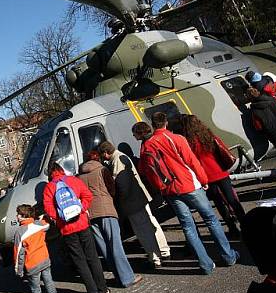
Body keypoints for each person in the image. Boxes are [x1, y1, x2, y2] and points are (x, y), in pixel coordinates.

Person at [138, 112, 239, 274]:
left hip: (170, 190)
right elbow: (191, 161)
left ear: (152, 124)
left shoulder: (147, 145)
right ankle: (228, 256)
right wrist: (204, 180)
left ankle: (205, 264)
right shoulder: (176, 138)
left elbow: (144, 170)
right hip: (189, 184)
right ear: (166, 123)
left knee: (188, 226)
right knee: (211, 219)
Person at [42, 162, 109, 293]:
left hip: (66, 229)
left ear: (50, 173)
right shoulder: (73, 180)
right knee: (92, 257)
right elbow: (88, 196)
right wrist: (81, 209)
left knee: (80, 261)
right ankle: (103, 290)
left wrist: (61, 217)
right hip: (82, 223)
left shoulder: (49, 187)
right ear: (61, 170)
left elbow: (48, 209)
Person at [169, 115, 245, 238]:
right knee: (231, 199)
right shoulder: (207, 135)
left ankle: (232, 228)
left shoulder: (187, 142)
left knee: (218, 203)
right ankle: (245, 223)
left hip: (205, 176)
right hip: (220, 171)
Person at [100, 139, 170, 267]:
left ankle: (156, 255)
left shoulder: (117, 160)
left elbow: (121, 184)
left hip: (133, 201)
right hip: (139, 197)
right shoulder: (121, 156)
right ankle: (162, 251)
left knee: (144, 229)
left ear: (105, 153)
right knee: (149, 224)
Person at [77, 149, 142, 288]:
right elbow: (112, 190)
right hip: (106, 210)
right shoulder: (103, 170)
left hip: (90, 213)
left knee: (105, 248)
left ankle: (118, 277)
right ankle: (127, 277)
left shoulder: (79, 176)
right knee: (116, 245)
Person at [12, 204, 63, 293]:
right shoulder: (39, 225)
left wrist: (18, 270)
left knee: (37, 292)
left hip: (32, 265)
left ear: (24, 216)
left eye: (18, 214)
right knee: (51, 288)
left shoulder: (19, 232)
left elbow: (18, 253)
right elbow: (48, 222)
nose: (17, 216)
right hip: (45, 260)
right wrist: (42, 216)